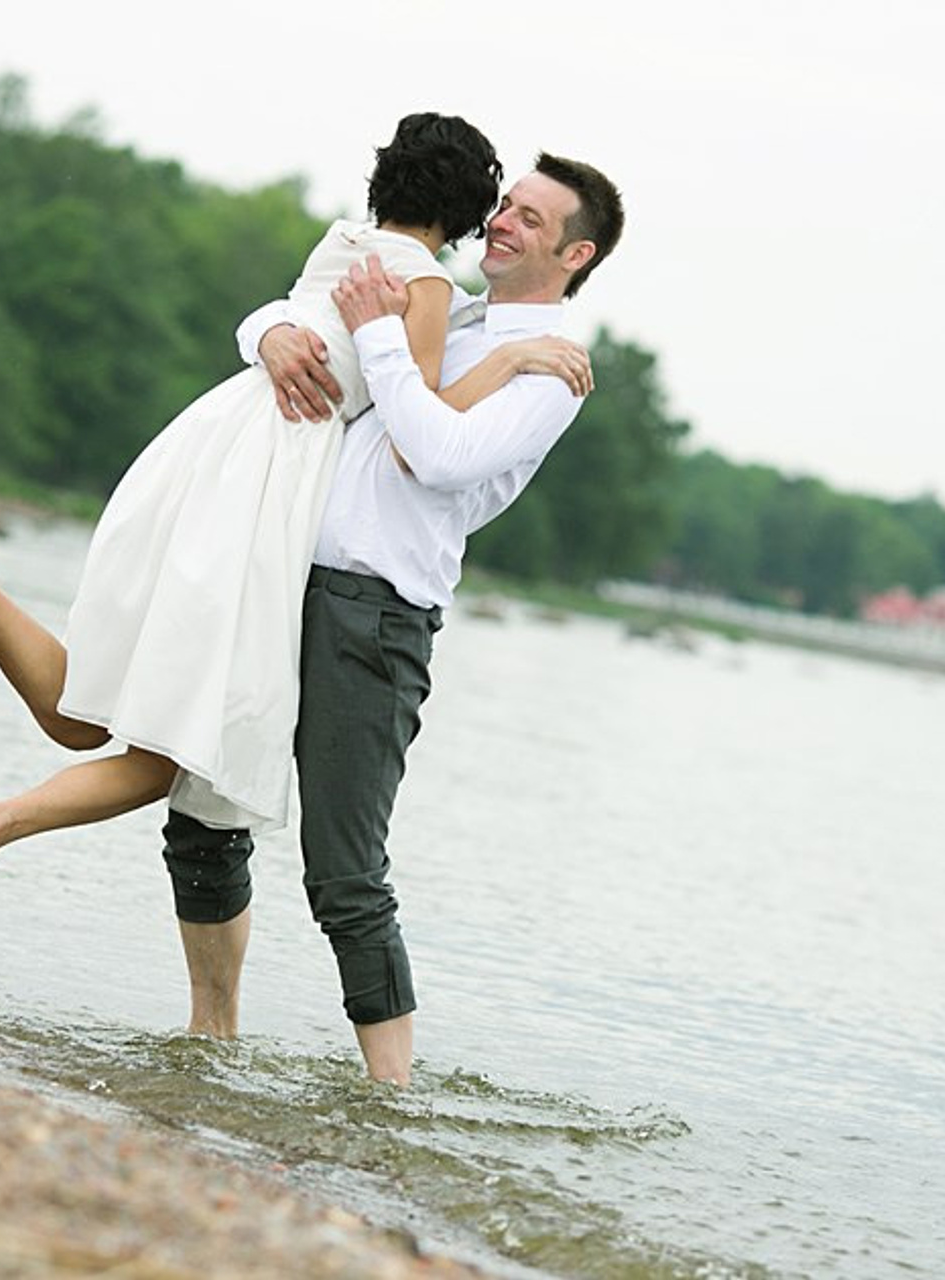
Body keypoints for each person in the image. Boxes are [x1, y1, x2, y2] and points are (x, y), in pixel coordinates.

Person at [0, 116, 591, 951]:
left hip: (209, 446)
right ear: (467, 209)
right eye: (499, 207)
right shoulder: (429, 287)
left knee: (89, 712)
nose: (500, 223)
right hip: (267, 484)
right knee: (189, 748)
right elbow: (420, 423)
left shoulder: (341, 242)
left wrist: (269, 331)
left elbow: (301, 324)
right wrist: (510, 361)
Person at [161, 151, 624, 1084]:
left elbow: (432, 454)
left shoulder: (551, 370)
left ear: (574, 256)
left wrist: (395, 339)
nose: (501, 222)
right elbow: (300, 308)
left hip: (373, 618)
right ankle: (209, 1043)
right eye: (506, 206)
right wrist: (268, 335)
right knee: (202, 819)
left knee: (345, 872)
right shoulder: (448, 310)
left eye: (530, 219)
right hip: (283, 580)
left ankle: (394, 1100)